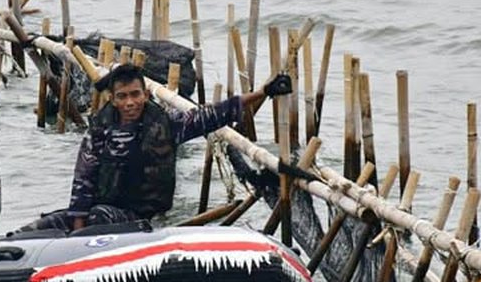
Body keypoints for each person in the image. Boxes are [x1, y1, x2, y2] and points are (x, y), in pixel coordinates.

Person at [21, 62, 292, 232]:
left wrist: (264, 92)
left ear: (146, 95)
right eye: (122, 97)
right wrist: (77, 229)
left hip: (139, 216)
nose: (129, 103)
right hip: (100, 208)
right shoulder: (100, 131)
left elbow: (213, 114)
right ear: (113, 100)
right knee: (49, 223)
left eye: (135, 95)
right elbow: (83, 179)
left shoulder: (165, 125)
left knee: (95, 218)